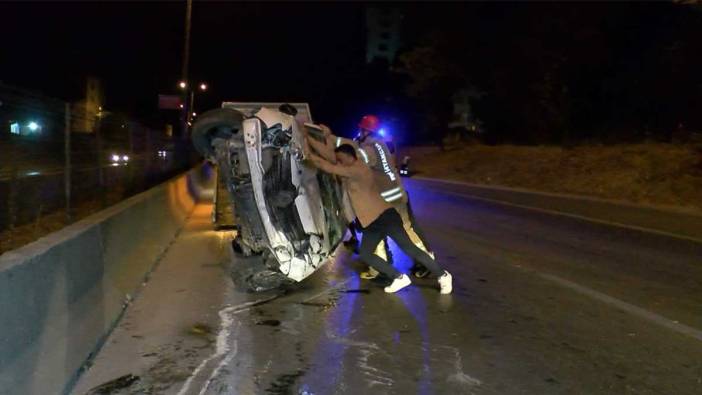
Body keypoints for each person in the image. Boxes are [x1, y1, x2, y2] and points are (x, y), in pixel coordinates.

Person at [303, 137, 453, 294]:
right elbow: (330, 159)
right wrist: (312, 140)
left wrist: (307, 154)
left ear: (349, 157)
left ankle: (443, 275)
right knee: (367, 254)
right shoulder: (349, 168)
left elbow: (328, 166)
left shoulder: (358, 169)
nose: (338, 162)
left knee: (410, 249)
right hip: (371, 223)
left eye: (341, 159)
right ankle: (399, 277)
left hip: (385, 217)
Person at [309, 116, 434, 279]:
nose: (359, 132)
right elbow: (350, 146)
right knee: (401, 229)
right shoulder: (377, 144)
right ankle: (394, 263)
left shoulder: (369, 150)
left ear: (366, 131)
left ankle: (424, 262)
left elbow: (347, 156)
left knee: (394, 230)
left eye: (361, 129)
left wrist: (313, 145)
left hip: (388, 198)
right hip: (394, 194)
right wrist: (329, 137)